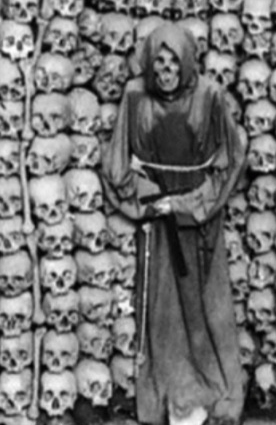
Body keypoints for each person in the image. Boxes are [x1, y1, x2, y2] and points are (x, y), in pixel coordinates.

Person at [102, 24, 247, 425]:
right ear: (148, 64)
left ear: (186, 64)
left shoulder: (209, 96)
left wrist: (188, 205)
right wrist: (148, 200)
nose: (165, 73)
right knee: (163, 312)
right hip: (158, 223)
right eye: (158, 63)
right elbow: (116, 166)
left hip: (198, 222)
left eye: (173, 64)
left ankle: (214, 390)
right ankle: (170, 392)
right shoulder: (135, 96)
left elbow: (231, 160)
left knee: (206, 308)